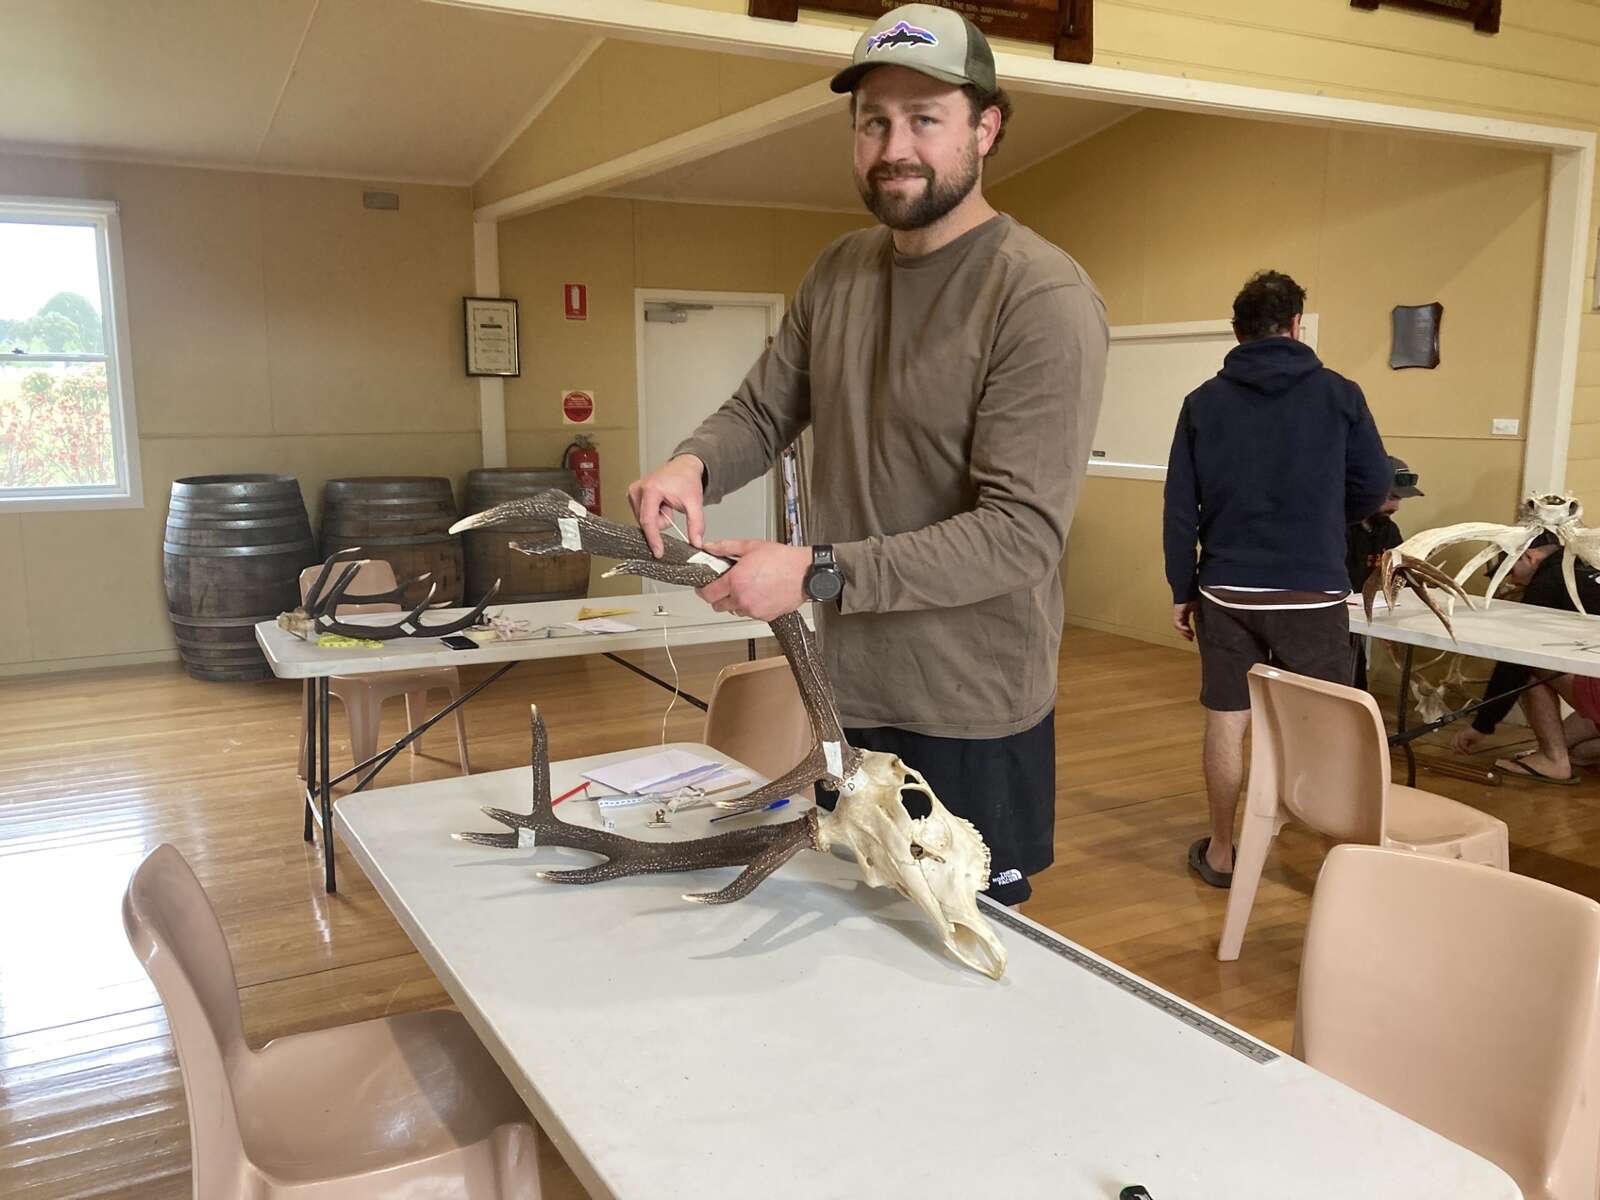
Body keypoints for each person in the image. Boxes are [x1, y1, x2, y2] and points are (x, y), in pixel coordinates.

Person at [626, 3, 1108, 906]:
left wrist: (814, 572)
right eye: (874, 121)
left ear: (987, 129)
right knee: (854, 934)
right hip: (849, 688)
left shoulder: (1041, 296)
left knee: (956, 961)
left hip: (972, 712)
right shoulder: (838, 271)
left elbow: (1018, 536)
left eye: (926, 118)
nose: (897, 145)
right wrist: (690, 465)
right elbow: (762, 411)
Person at [1164, 269, 1391, 888]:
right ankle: (1335, 864)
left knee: (1228, 715)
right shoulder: (1340, 394)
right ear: (1296, 325)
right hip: (1312, 590)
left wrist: (1181, 588)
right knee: (1325, 725)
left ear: (1237, 333)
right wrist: (1323, 516)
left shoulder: (1202, 403)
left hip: (1227, 589)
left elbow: (1181, 506)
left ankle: (1221, 851)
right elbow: (1375, 488)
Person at [1449, 538, 1600, 774]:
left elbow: (1515, 660)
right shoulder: (1589, 563)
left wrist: (1483, 725)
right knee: (1579, 753)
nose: (1512, 581)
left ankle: (1553, 761)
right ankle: (1560, 752)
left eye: (1509, 571)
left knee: (1531, 666)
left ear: (1530, 556)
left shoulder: (1551, 579)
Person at [1346, 455, 1424, 690]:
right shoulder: (1335, 527)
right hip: (1327, 620)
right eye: (1391, 497)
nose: (1395, 507)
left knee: (1356, 680)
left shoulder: (1388, 530)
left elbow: (1401, 575)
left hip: (1360, 618)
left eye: (1400, 499)